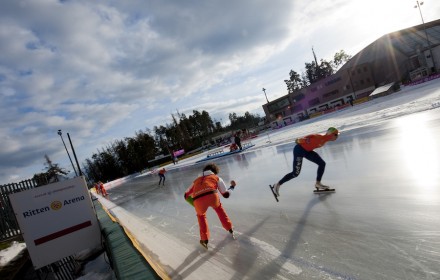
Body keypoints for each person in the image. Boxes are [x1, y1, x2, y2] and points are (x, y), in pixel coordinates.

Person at [272, 127, 340, 197]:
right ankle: (277, 185)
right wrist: (300, 140)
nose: (337, 136)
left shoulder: (324, 140)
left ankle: (318, 183)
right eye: (336, 135)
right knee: (295, 173)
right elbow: (298, 141)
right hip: (299, 151)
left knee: (322, 163)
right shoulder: (318, 137)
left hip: (307, 151)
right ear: (331, 134)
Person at [184, 163, 236, 249]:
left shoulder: (195, 181)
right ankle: (229, 228)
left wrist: (195, 205)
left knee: (201, 216)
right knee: (219, 209)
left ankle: (205, 240)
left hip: (198, 200)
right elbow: (226, 194)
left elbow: (185, 195)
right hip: (212, 196)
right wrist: (232, 186)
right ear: (214, 172)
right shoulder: (216, 177)